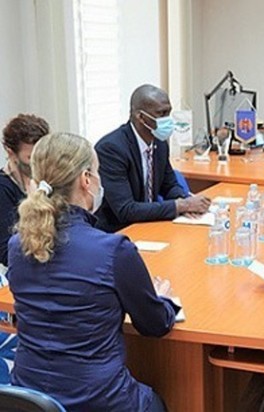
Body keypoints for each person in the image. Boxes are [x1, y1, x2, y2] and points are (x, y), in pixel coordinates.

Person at [7, 132, 179, 411]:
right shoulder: (114, 250)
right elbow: (155, 325)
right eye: (97, 173)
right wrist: (162, 299)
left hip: (29, 399)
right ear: (86, 179)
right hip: (100, 400)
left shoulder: (17, 246)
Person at [95, 84, 211, 233]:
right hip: (119, 231)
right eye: (161, 113)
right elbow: (125, 210)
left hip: (150, 225)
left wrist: (187, 201)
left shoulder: (160, 143)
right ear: (140, 117)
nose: (168, 119)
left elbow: (169, 186)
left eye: (169, 112)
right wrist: (181, 206)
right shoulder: (111, 149)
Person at [0, 114, 49, 271]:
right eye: (30, 158)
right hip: (26, 270)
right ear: (11, 153)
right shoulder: (3, 189)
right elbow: (6, 253)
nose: (38, 163)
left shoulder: (48, 177)